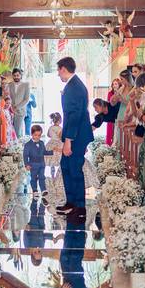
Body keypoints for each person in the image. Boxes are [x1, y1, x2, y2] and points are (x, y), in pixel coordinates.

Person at [55, 57, 94, 219]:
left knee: (74, 169)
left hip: (76, 136)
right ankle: (71, 202)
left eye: (58, 71)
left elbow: (75, 115)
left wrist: (68, 140)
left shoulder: (75, 87)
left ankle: (79, 206)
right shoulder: (73, 85)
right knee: (66, 166)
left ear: (64, 69)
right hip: (74, 134)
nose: (58, 74)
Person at [23, 124, 53, 197]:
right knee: (34, 178)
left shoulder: (41, 143)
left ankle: (43, 190)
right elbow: (25, 155)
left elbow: (44, 152)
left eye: (39, 135)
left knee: (42, 177)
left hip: (42, 164)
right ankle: (35, 190)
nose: (37, 137)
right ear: (32, 134)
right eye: (35, 135)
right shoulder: (28, 145)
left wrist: (52, 152)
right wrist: (26, 164)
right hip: (33, 164)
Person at [8, 68, 30, 138]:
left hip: (20, 111)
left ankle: (18, 144)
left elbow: (26, 99)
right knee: (10, 131)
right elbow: (8, 97)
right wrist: (11, 107)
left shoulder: (26, 85)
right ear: (12, 76)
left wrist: (17, 107)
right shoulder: (9, 85)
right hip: (10, 111)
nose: (16, 77)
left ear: (21, 75)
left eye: (18, 75)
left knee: (17, 132)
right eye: (14, 75)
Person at [46, 112, 63, 177]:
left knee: (51, 160)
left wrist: (53, 136)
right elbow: (60, 137)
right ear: (59, 120)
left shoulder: (50, 127)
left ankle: (52, 175)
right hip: (58, 144)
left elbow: (48, 135)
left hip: (50, 143)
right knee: (59, 158)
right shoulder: (60, 128)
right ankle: (59, 174)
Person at [105, 79, 120, 145]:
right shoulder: (110, 93)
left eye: (116, 84)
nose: (114, 85)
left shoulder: (121, 93)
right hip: (111, 112)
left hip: (119, 112)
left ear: (119, 85)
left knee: (117, 130)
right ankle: (109, 143)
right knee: (110, 128)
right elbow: (110, 103)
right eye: (113, 84)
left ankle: (116, 143)